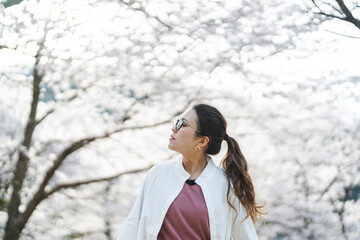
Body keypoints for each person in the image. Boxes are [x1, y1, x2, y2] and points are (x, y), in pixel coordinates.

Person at [117, 104, 265, 240]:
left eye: (183, 124)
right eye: (177, 121)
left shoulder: (227, 186)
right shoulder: (158, 174)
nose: (174, 128)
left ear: (202, 141)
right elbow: (132, 225)